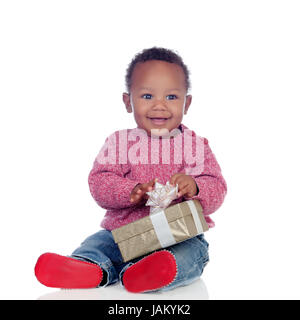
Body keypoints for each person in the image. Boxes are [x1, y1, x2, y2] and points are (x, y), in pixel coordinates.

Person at [34, 47, 227, 293]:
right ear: (128, 101)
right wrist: (131, 191)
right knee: (100, 244)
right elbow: (100, 182)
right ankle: (86, 267)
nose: (159, 106)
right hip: (123, 234)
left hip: (179, 235)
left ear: (187, 103)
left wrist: (196, 186)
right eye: (147, 96)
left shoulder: (195, 146)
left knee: (190, 253)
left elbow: (217, 187)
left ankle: (151, 273)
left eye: (171, 97)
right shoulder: (119, 143)